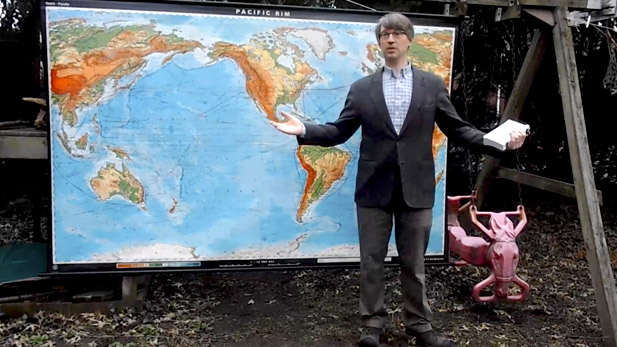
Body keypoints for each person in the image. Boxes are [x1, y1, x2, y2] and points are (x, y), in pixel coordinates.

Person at [270, 12, 526, 347]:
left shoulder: (431, 85)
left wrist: (498, 142)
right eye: (384, 35)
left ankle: (419, 325)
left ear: (409, 39)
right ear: (379, 42)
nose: (390, 39)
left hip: (416, 189)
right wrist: (303, 130)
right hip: (373, 189)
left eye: (397, 33)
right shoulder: (362, 89)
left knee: (414, 264)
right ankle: (372, 326)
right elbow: (338, 131)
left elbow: (458, 130)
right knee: (371, 263)